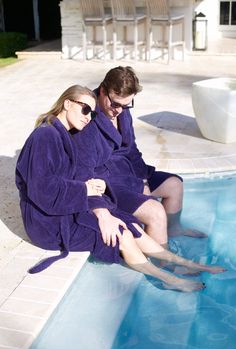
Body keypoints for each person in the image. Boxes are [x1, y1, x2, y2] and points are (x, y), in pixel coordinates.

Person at [15, 84, 225, 292]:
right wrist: (84, 190)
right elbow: (42, 190)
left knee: (127, 223)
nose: (89, 116)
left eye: (92, 112)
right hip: (47, 224)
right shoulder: (45, 136)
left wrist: (89, 189)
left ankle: (186, 263)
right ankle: (167, 279)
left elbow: (70, 178)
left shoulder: (61, 133)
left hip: (63, 208)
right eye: (85, 109)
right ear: (67, 103)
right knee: (121, 234)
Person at [76, 66, 206, 242]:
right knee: (156, 212)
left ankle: (173, 229)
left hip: (129, 172)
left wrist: (142, 178)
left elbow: (131, 149)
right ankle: (162, 262)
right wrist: (137, 185)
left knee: (175, 185)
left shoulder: (121, 111)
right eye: (115, 104)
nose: (119, 111)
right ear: (103, 90)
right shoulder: (86, 117)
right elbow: (87, 169)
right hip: (109, 183)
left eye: (126, 105)